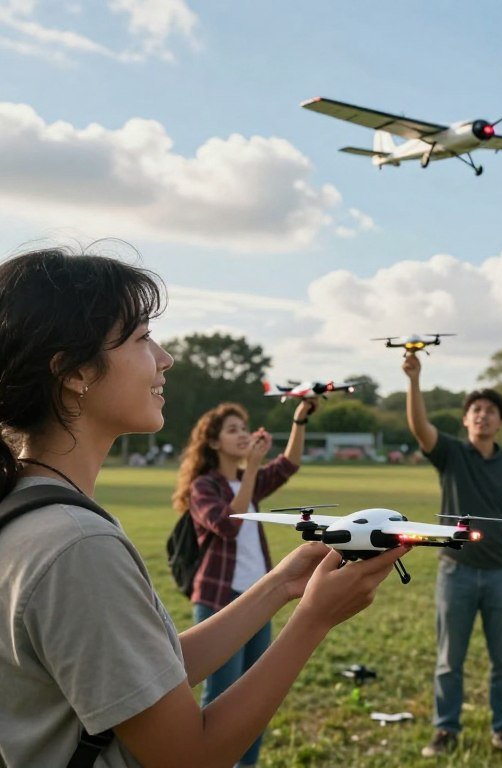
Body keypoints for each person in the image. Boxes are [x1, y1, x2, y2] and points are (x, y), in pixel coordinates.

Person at [0, 246, 406, 768]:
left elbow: (146, 679)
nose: (166, 358)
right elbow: (188, 756)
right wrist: (313, 620)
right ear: (75, 372)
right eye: (144, 338)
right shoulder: (77, 545)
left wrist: (281, 585)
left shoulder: (29, 512)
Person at [402, 352, 502, 758]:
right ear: (466, 420)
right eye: (476, 410)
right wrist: (414, 380)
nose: (483, 416)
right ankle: (445, 730)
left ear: (500, 421)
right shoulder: (451, 455)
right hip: (456, 571)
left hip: (501, 574)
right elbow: (419, 427)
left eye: (491, 411)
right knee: (449, 659)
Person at [171, 398, 315, 767]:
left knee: (253, 700)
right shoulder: (205, 486)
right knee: (222, 696)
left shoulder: (246, 481)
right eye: (232, 430)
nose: (242, 435)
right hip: (220, 599)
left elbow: (289, 464)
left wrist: (298, 420)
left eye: (244, 428)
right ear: (214, 442)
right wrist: (251, 469)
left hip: (257, 599)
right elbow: (229, 524)